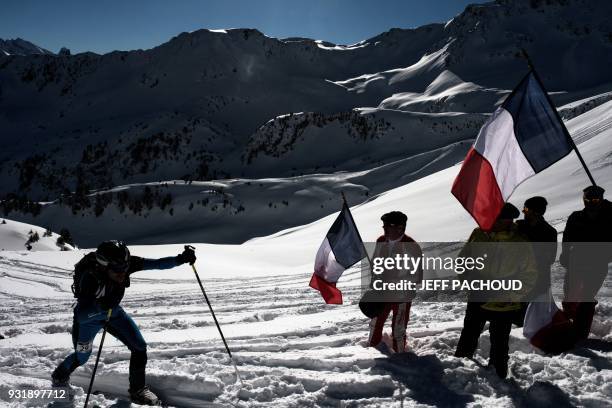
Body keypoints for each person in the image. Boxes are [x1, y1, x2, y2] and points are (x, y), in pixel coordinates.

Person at [51, 240, 197, 405]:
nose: (123, 273)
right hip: (90, 320)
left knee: (139, 347)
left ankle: (138, 391)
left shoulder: (124, 263)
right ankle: (60, 375)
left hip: (113, 313)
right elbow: (83, 315)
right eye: (117, 270)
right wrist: (101, 307)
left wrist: (181, 259)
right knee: (82, 357)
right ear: (104, 267)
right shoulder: (89, 277)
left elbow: (156, 264)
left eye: (125, 268)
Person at [454, 203, 537, 379]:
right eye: (498, 219)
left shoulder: (520, 242)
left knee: (499, 343)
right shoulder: (479, 234)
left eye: (505, 220)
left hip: (504, 304)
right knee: (468, 335)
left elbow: (529, 275)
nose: (500, 223)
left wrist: (511, 295)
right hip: (478, 297)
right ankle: (458, 370)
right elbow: (462, 262)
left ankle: (499, 378)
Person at [560, 185, 612, 341]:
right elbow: (567, 239)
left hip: (598, 262)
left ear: (601, 200)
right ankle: (567, 322)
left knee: (587, 297)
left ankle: (579, 334)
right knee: (570, 294)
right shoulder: (575, 217)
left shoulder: (609, 216)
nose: (590, 202)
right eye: (587, 199)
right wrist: (565, 254)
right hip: (576, 261)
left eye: (595, 199)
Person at [368, 211, 422, 353]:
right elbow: (375, 264)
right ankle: (371, 352)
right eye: (384, 225)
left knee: (398, 329)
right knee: (375, 323)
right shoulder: (381, 240)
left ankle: (400, 358)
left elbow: (417, 276)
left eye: (388, 226)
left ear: (400, 228)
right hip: (381, 293)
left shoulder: (411, 246)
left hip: (401, 296)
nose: (384, 228)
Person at [516, 196, 558, 299]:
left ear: (536, 212)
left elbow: (549, 259)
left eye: (526, 209)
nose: (523, 211)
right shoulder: (517, 227)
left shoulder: (549, 232)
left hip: (538, 284)